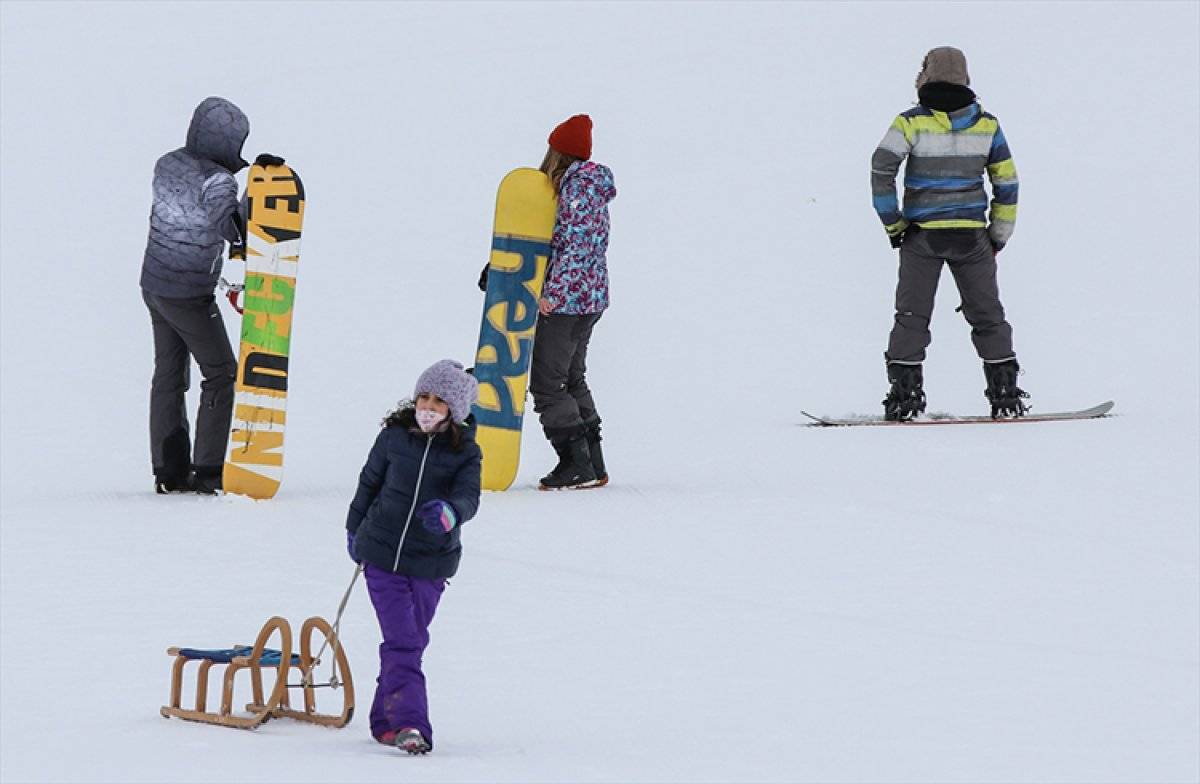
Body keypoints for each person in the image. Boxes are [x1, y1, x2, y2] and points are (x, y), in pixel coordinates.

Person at [870, 47, 1029, 420]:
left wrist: (893, 224)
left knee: (912, 315)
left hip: (922, 236)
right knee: (988, 315)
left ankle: (905, 397)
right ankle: (1004, 393)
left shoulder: (910, 123)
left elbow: (881, 168)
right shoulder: (987, 125)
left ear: (925, 76)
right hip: (972, 239)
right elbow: (1007, 182)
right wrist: (998, 236)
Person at [140, 96, 279, 494]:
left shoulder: (167, 163)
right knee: (222, 374)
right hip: (188, 293)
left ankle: (168, 469)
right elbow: (233, 230)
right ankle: (208, 468)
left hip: (154, 285)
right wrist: (256, 192)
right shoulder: (218, 180)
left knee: (169, 376)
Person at [345, 359, 482, 755]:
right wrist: (355, 529)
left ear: (453, 410)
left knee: (410, 641)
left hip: (430, 563)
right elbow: (369, 482)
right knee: (403, 640)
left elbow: (468, 497)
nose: (427, 407)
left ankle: (384, 720)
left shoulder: (465, 454)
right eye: (424, 397)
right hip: (382, 556)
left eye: (438, 401)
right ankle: (410, 724)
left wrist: (450, 514)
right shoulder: (393, 438)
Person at [529, 114, 617, 488]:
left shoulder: (576, 188)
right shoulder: (592, 187)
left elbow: (575, 246)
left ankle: (575, 464)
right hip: (591, 296)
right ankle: (593, 464)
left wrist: (552, 293)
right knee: (571, 378)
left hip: (569, 301)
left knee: (549, 385)